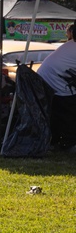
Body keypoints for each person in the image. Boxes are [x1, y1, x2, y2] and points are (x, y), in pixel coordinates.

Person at [36, 23, 76, 151]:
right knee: (69, 110)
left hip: (47, 83)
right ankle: (69, 142)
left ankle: (61, 140)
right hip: (56, 84)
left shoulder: (70, 45)